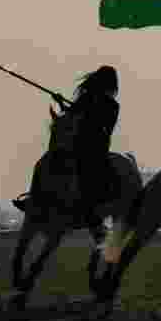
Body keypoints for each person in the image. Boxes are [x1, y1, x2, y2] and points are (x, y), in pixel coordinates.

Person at [52, 65, 120, 225]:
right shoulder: (89, 98)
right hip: (78, 140)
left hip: (96, 145)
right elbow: (71, 112)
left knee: (91, 171)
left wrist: (92, 116)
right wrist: (60, 102)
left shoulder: (110, 105)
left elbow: (107, 128)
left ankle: (93, 205)